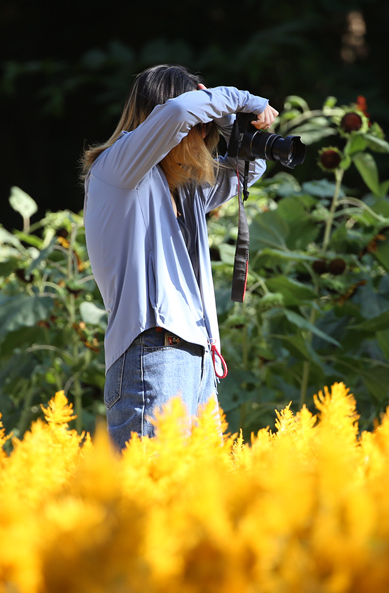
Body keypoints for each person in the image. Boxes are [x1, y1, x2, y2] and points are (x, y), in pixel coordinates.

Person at [80, 64, 278, 448]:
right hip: (153, 353)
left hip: (198, 360)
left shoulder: (185, 190)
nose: (205, 135)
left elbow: (248, 170)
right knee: (153, 496)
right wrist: (244, 101)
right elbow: (178, 114)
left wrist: (228, 120)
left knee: (198, 503)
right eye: (201, 122)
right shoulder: (116, 171)